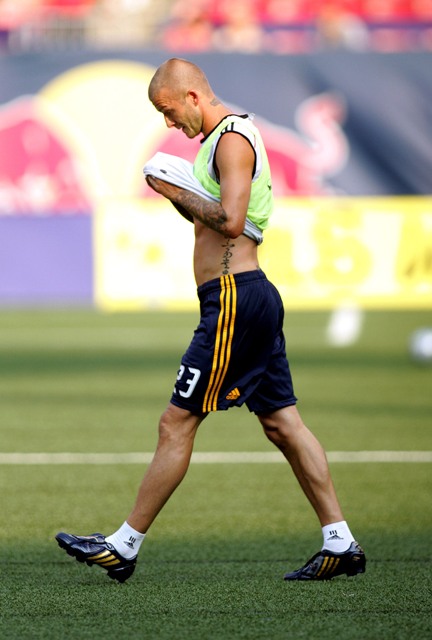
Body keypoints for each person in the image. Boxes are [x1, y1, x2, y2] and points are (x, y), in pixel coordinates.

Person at [55, 58, 366, 583]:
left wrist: (173, 189)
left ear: (193, 96)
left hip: (234, 299)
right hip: (243, 297)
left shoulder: (232, 140)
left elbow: (232, 221)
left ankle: (123, 546)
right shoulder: (218, 143)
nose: (168, 122)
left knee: (176, 422)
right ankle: (340, 541)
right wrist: (175, 189)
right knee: (283, 423)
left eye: (169, 110)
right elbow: (212, 221)